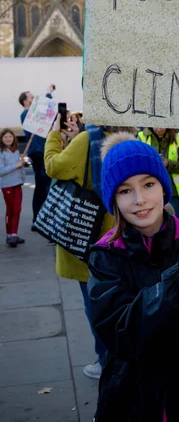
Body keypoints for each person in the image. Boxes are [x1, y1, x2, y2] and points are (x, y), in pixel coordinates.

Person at [87, 135, 179, 422]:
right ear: (114, 200)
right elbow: (119, 334)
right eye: (124, 190)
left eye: (148, 184)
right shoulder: (106, 257)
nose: (139, 199)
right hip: (127, 403)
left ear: (163, 187)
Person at [44, 116, 116, 380]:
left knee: (94, 306)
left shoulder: (89, 139)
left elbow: (53, 166)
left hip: (87, 238)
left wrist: (54, 135)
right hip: (118, 235)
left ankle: (105, 360)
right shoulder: (129, 136)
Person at [137, 127, 179, 222]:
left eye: (162, 126)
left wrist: (169, 164)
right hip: (149, 191)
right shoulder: (142, 137)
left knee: (175, 222)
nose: (159, 129)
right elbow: (137, 163)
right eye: (156, 125)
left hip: (173, 192)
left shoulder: (178, 138)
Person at [19, 87, 53, 228]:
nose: (34, 100)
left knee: (44, 185)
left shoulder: (29, 113)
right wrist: (48, 94)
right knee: (42, 186)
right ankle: (38, 219)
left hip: (41, 151)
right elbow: (42, 110)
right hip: (38, 153)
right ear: (26, 102)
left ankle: (40, 219)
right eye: (32, 98)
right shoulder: (26, 114)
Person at [0, 129, 25, 247]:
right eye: (5, 137)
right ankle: (9, 234)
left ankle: (14, 234)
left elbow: (19, 167)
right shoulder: (1, 153)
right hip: (7, 185)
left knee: (17, 209)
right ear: (1, 139)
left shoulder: (15, 151)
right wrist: (15, 165)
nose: (8, 139)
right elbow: (1, 171)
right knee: (10, 210)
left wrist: (21, 164)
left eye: (10, 136)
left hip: (17, 183)